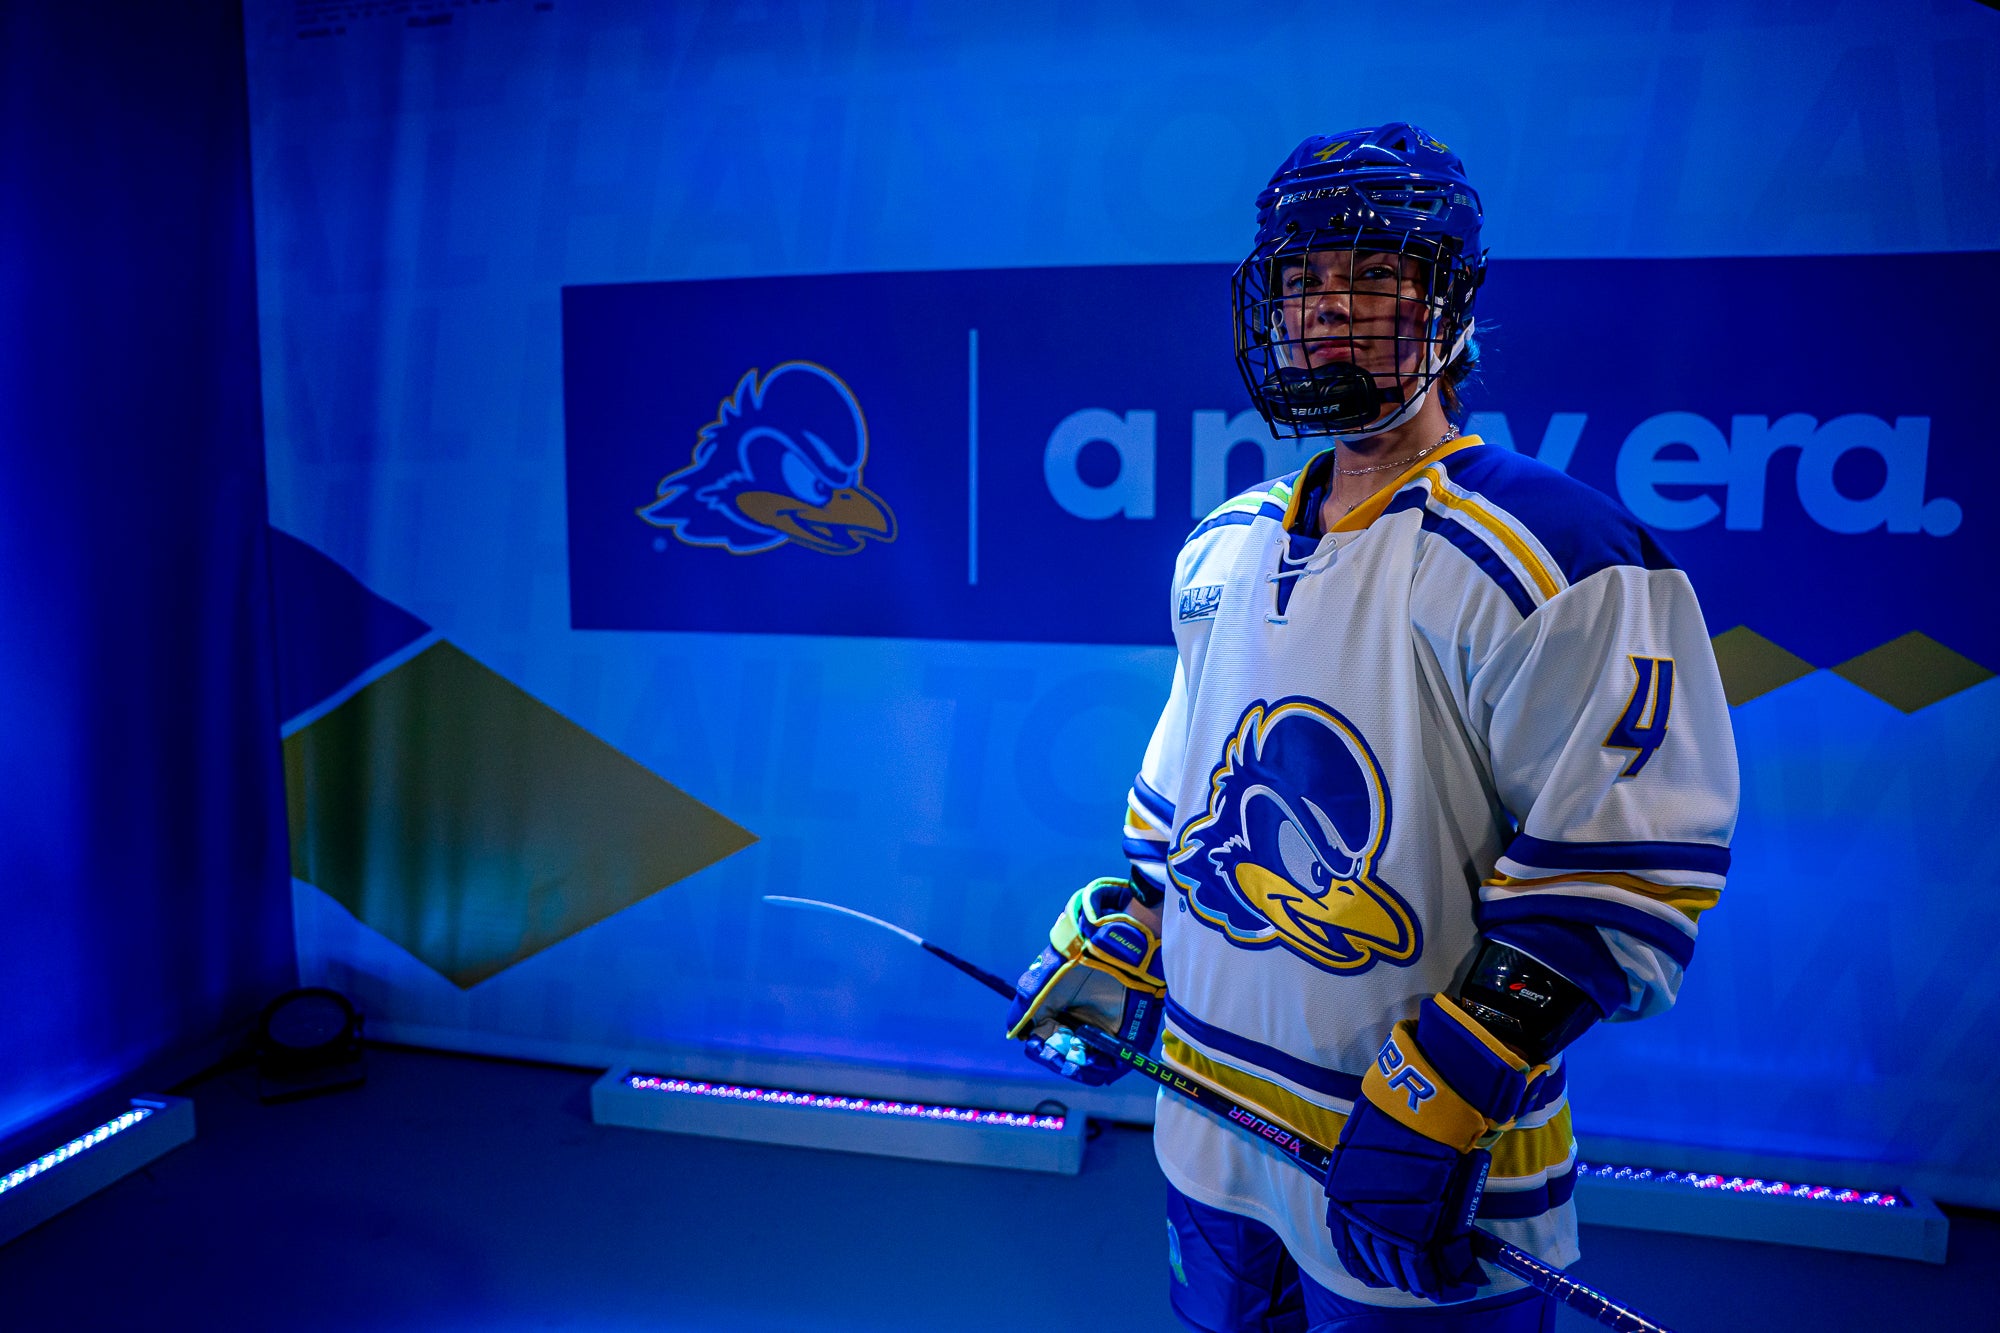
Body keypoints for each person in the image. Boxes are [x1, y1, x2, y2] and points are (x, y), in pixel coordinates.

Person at [1005, 124, 1738, 1332]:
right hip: (1205, 1125)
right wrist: (1134, 928)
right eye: (1300, 278)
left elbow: (1621, 870)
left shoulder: (1557, 551)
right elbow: (1185, 814)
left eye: (1372, 272)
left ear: (1449, 301)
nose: (1327, 307)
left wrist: (1458, 1075)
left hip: (1416, 1155)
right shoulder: (1221, 545)